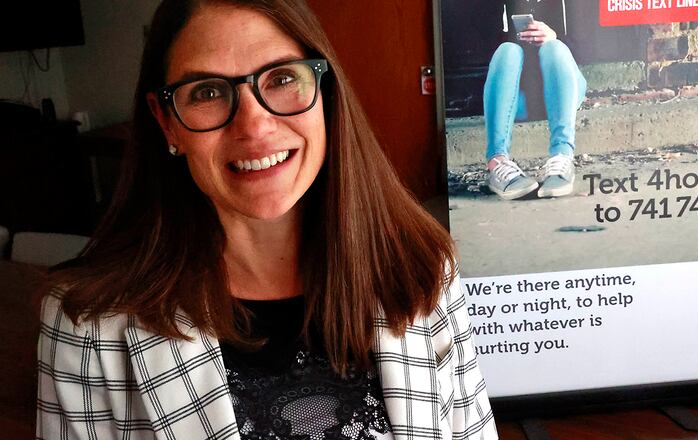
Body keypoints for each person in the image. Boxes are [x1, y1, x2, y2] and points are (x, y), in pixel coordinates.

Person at [36, 1, 497, 439]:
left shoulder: (424, 267)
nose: (254, 126)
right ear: (167, 122)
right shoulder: (87, 324)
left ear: (325, 91)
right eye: (208, 92)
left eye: (280, 78)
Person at [485, 0, 587, 199]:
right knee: (507, 51)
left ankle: (562, 155)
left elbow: (589, 50)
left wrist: (553, 36)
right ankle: (497, 162)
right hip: (519, 98)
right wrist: (516, 40)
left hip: (563, 92)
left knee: (554, 48)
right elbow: (488, 56)